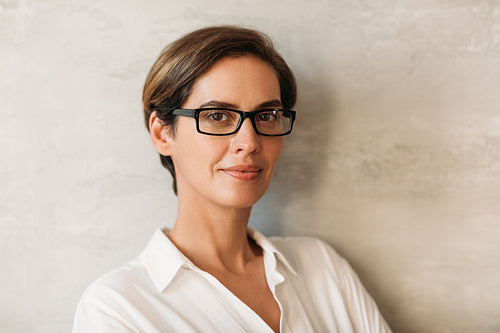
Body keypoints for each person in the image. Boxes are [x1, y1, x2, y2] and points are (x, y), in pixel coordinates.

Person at [72, 26, 392, 333]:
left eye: (266, 116)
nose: (250, 142)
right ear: (162, 133)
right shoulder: (118, 308)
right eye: (217, 116)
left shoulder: (322, 266)